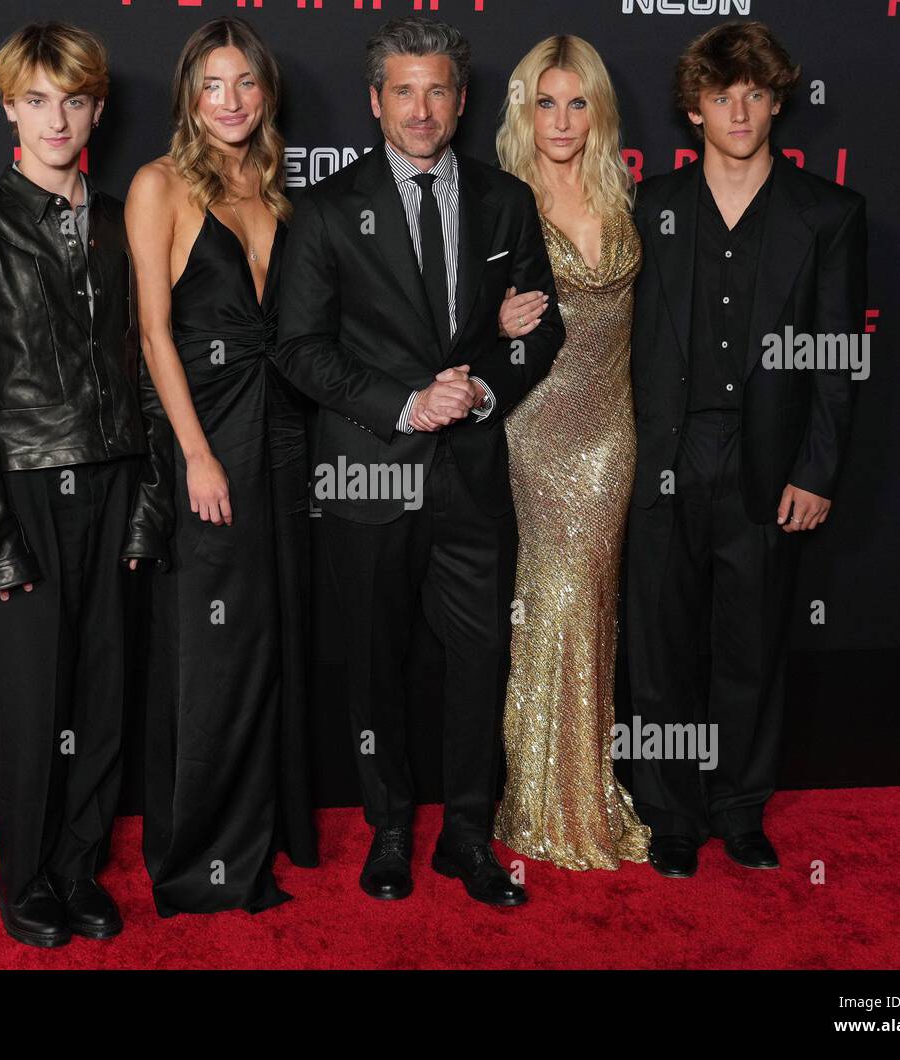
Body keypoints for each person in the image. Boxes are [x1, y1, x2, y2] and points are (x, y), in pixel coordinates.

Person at [277, 15, 565, 908]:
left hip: (473, 476)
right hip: (370, 476)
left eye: (437, 89)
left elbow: (539, 325)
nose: (421, 107)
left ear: (462, 99)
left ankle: (469, 838)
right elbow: (298, 348)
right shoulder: (327, 210)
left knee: (480, 662)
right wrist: (406, 403)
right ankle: (392, 831)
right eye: (403, 90)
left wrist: (480, 392)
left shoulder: (505, 201)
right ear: (375, 102)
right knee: (378, 665)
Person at [0, 21, 171, 947]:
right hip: (25, 492)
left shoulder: (121, 225)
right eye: (36, 100)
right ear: (8, 112)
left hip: (116, 487)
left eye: (73, 99)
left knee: (104, 699)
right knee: (35, 706)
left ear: (97, 109)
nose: (55, 118)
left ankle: (77, 868)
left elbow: (150, 365)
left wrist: (148, 503)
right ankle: (22, 879)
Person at [626, 21, 866, 877]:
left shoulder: (828, 216)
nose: (740, 110)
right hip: (666, 459)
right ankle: (671, 815)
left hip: (768, 468)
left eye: (756, 94)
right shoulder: (647, 207)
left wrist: (817, 467)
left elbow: (838, 353)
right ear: (694, 108)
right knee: (660, 650)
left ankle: (738, 807)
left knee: (753, 646)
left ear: (776, 103)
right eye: (723, 94)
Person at [123, 16, 318, 916]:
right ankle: (198, 859)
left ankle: (253, 846)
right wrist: (196, 455)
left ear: (265, 95)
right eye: (214, 85)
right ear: (189, 99)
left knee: (266, 644)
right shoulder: (158, 186)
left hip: (281, 434)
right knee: (213, 651)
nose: (232, 101)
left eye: (246, 84)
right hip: (209, 435)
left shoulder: (278, 194)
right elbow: (154, 337)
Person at [490, 35, 652, 871]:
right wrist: (495, 320)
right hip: (535, 428)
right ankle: (541, 802)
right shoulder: (500, 198)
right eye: (545, 102)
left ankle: (583, 790)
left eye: (577, 101)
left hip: (610, 433)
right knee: (547, 600)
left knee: (591, 602)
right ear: (524, 110)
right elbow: (450, 309)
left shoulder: (622, 196)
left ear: (598, 109)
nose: (561, 119)